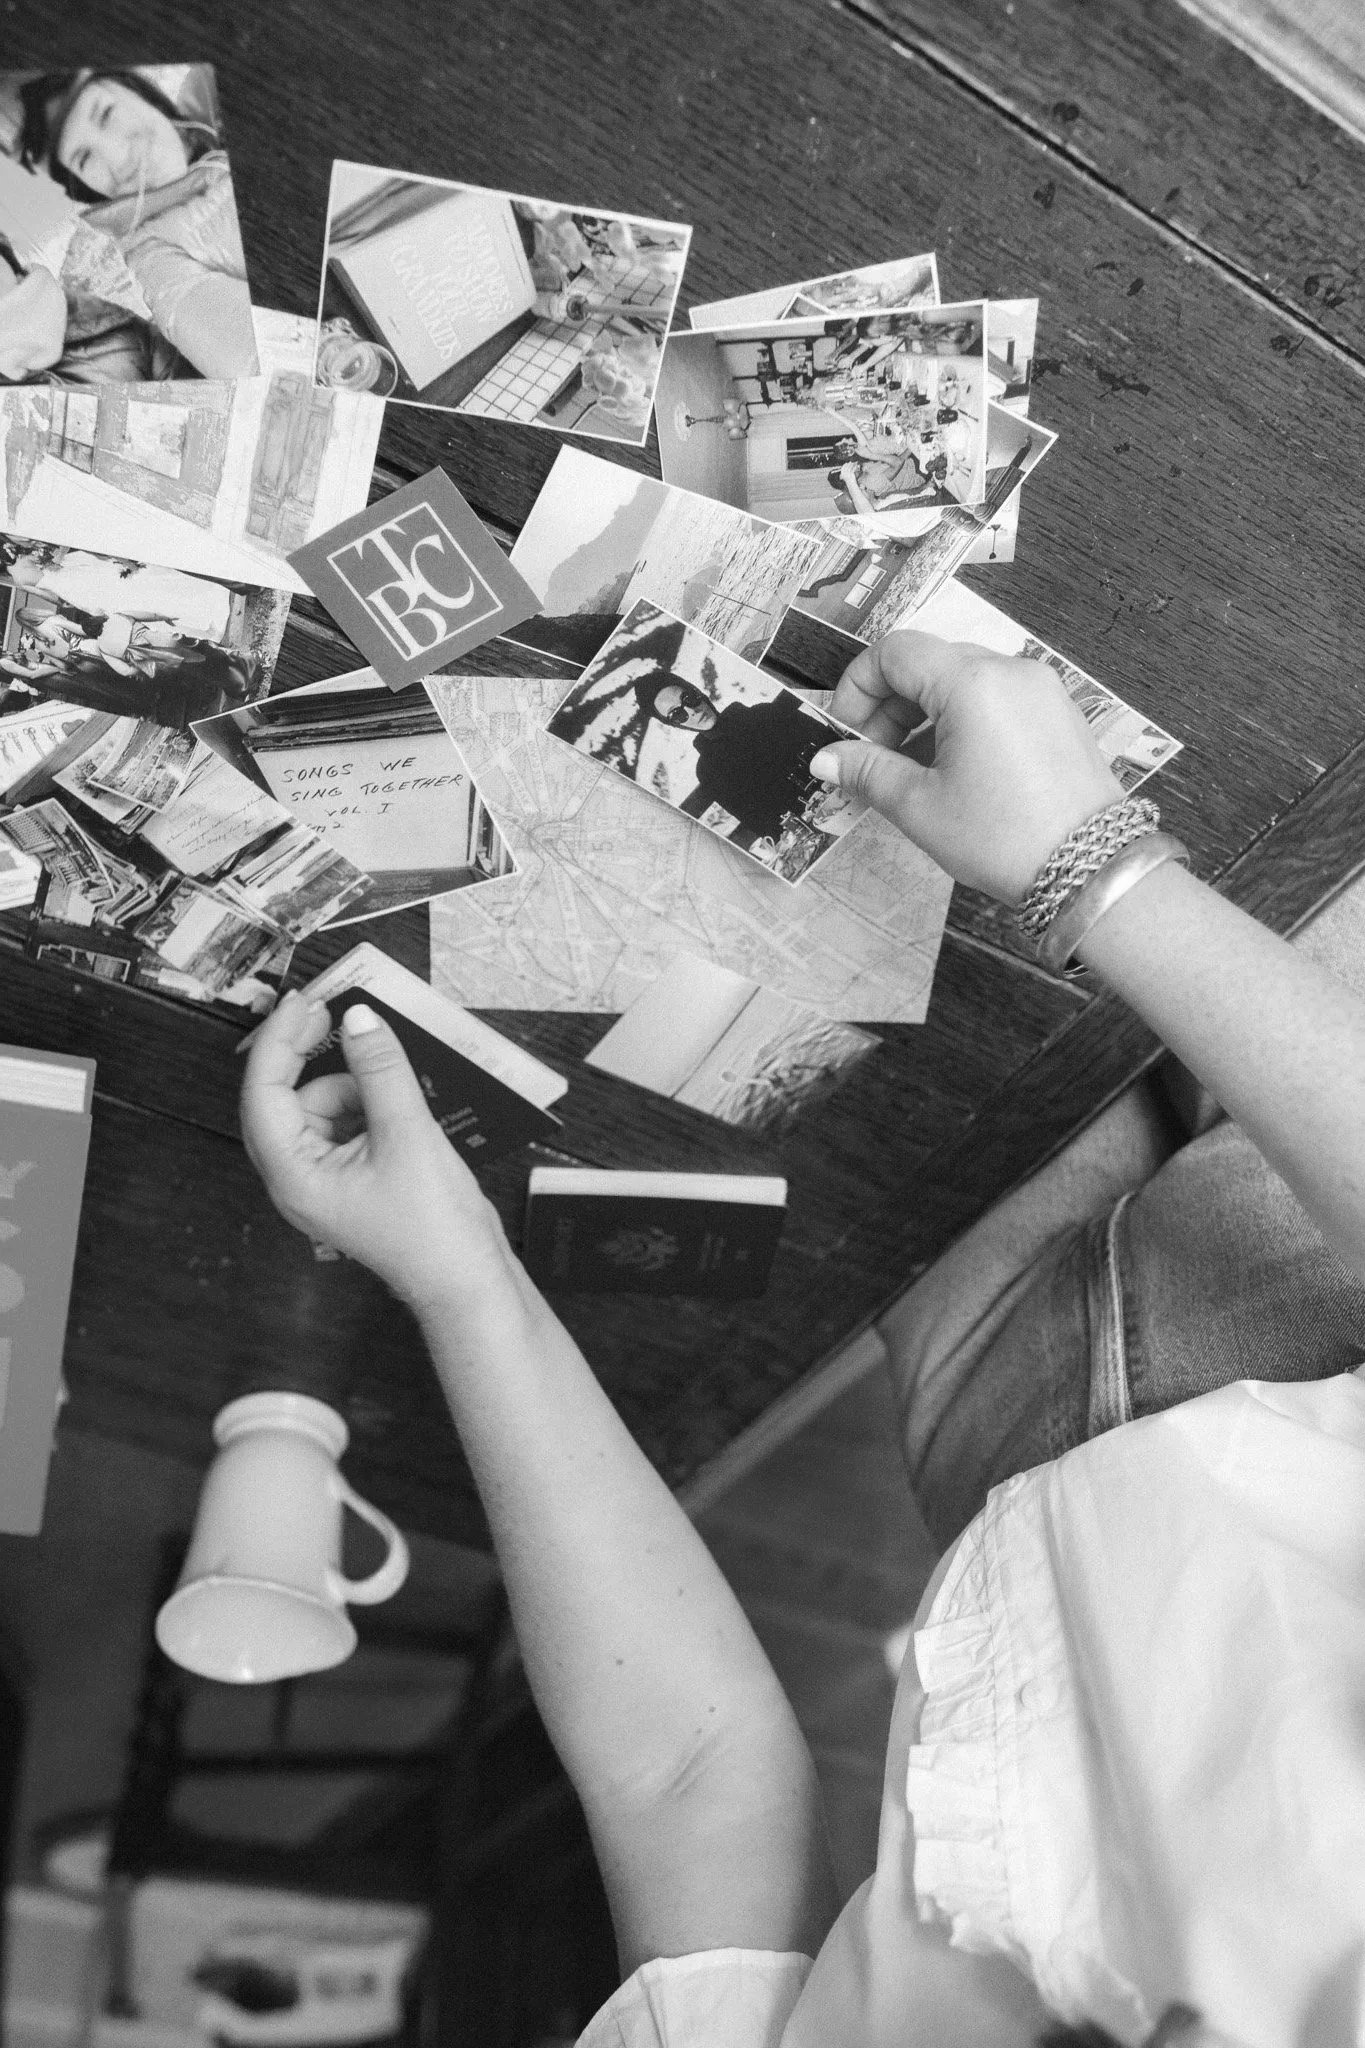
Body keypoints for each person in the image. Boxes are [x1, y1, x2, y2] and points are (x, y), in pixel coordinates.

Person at [240, 629, 1365, 2048]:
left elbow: (689, 1778)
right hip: (1318, 1255)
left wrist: (462, 1279)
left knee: (865, 890)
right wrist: (1096, 867)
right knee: (1285, 682)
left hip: (1004, 1448)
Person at [18, 68, 257, 378]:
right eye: (85, 158)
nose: (118, 158)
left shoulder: (214, 106)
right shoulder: (156, 260)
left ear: (140, 93)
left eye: (105, 113)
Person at [632, 675, 831, 846]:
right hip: (820, 832)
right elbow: (770, 829)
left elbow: (833, 742)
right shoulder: (710, 772)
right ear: (675, 725)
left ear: (697, 692)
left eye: (688, 698)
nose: (692, 712)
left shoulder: (766, 714)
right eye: (677, 714)